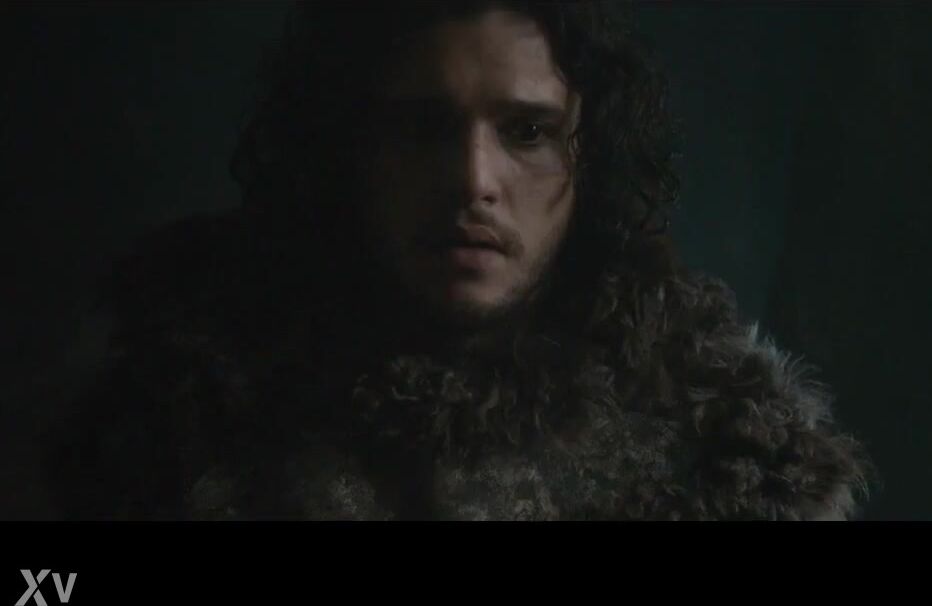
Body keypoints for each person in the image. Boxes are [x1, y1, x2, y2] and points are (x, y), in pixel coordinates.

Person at [45, 1, 873, 520]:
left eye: (528, 131)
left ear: (591, 161)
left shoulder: (716, 446)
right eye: (423, 128)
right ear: (351, 149)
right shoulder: (183, 411)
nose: (474, 181)